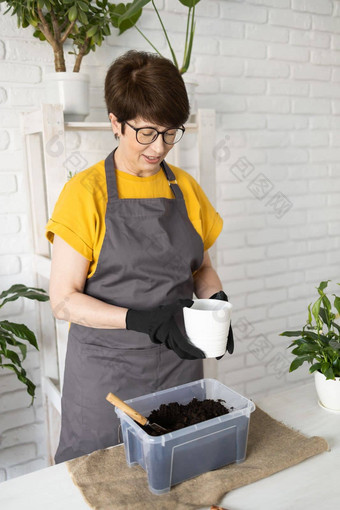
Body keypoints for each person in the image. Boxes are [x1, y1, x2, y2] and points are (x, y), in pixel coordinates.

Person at [46, 50, 233, 464]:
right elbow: (62, 300)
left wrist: (216, 303)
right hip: (106, 378)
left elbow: (200, 267)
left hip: (178, 368)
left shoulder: (185, 188)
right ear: (116, 122)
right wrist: (138, 319)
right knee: (104, 480)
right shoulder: (85, 193)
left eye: (170, 133)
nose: (159, 147)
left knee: (179, 473)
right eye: (147, 132)